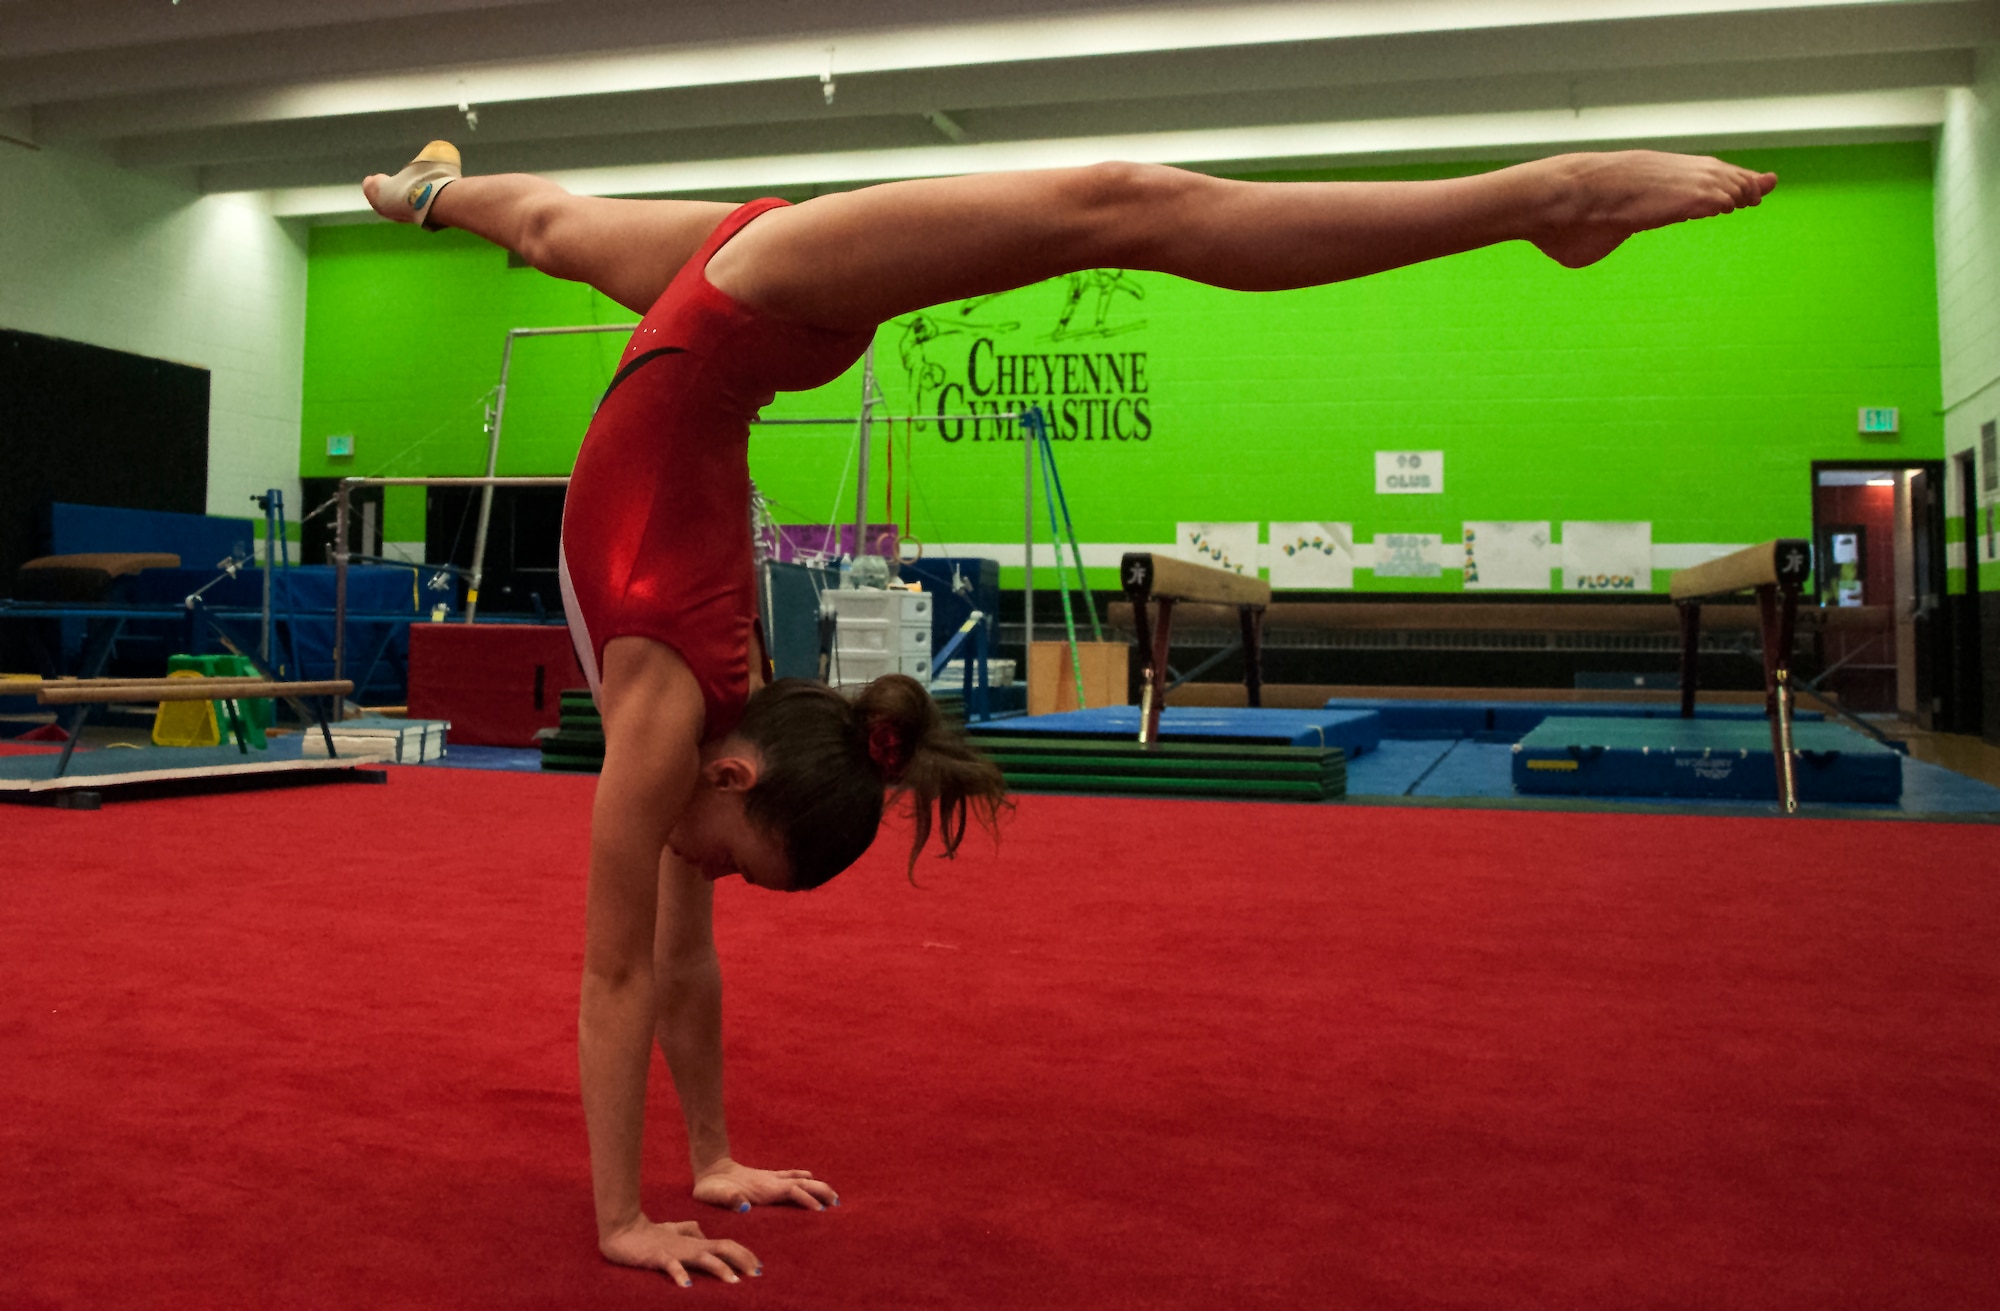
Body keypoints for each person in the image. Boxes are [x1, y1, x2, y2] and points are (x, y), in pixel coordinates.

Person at [362, 142, 1775, 1288]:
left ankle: (1549, 200)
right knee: (548, 221)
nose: (703, 868)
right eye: (731, 860)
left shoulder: (665, 733)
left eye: (728, 861)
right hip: (723, 322)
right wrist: (693, 1167)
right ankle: (424, 189)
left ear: (732, 770)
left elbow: (628, 982)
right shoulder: (702, 738)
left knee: (1122, 208)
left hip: (740, 301)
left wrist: (635, 1208)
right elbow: (667, 970)